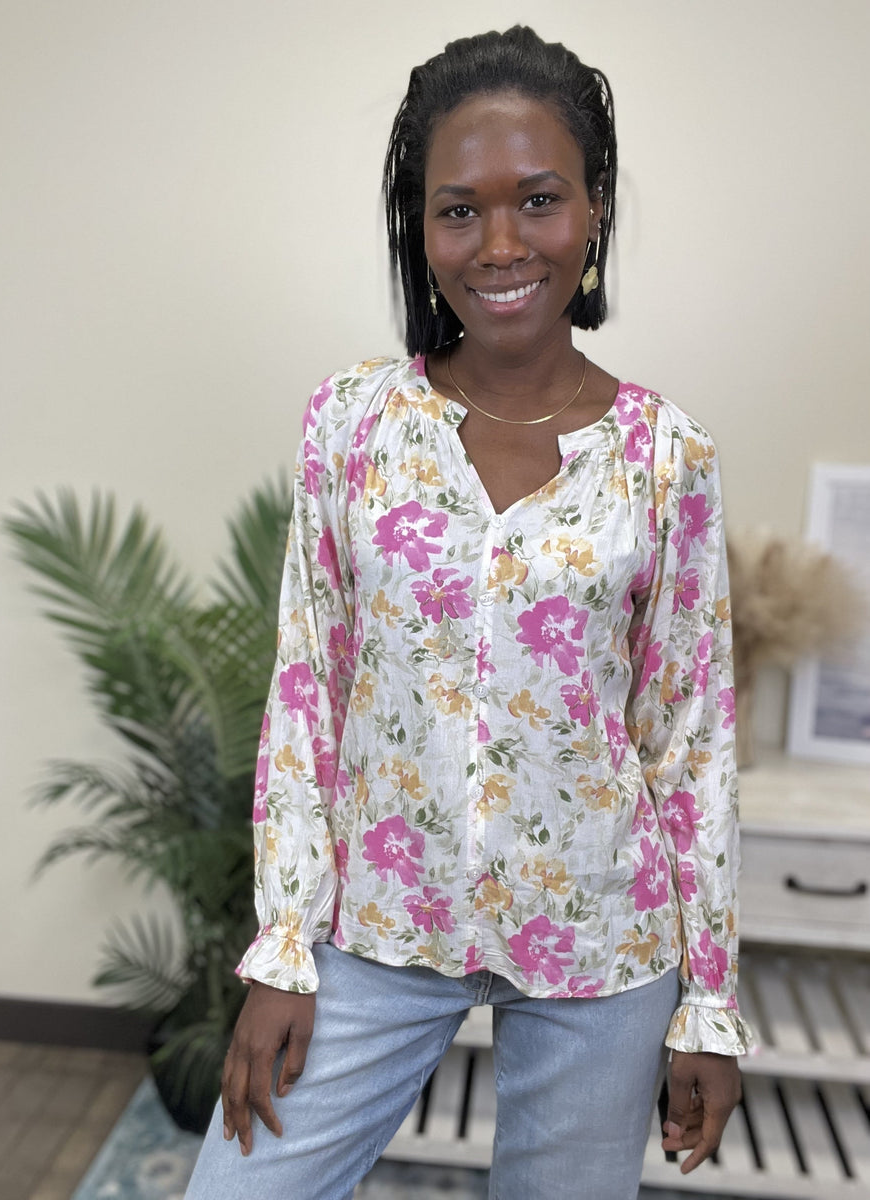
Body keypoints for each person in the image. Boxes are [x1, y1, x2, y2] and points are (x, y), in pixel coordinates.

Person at [185, 25, 753, 1200]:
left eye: (538, 199)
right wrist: (283, 946)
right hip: (377, 925)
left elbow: (689, 740)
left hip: (601, 942)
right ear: (420, 225)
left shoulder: (666, 455)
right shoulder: (352, 423)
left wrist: (709, 1003)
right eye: (459, 210)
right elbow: (307, 688)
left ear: (594, 208)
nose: (501, 245)